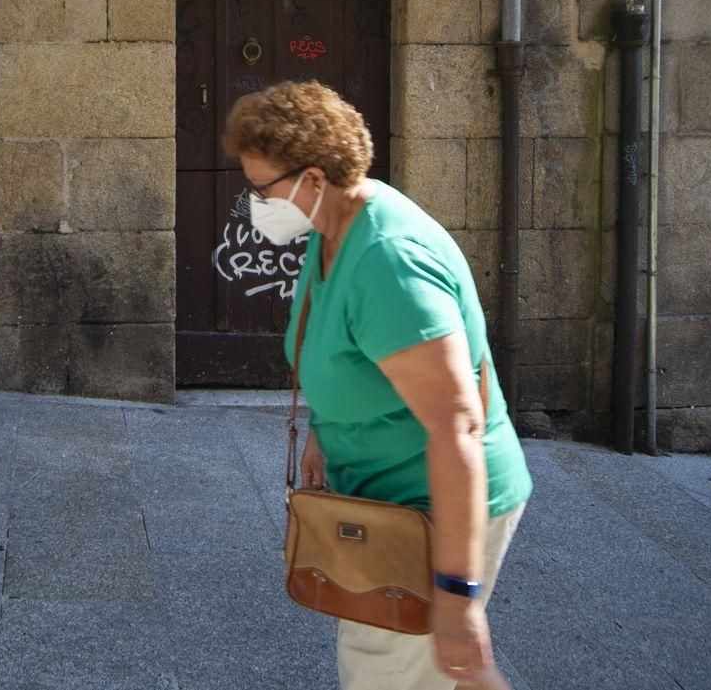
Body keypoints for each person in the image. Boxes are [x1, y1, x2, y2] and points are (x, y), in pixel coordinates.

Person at [223, 80, 533, 690]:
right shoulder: (336, 226)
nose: (253, 203)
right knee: (439, 675)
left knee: (393, 672)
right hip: (388, 502)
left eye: (260, 189)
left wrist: (457, 597)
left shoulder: (389, 261)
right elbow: (349, 356)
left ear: (313, 178)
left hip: (429, 514)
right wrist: (325, 430)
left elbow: (457, 427)